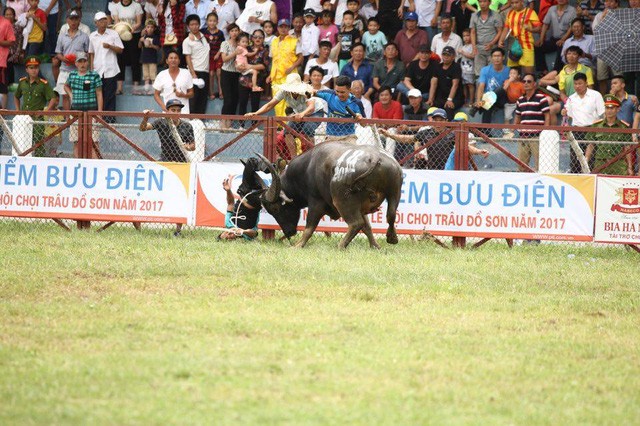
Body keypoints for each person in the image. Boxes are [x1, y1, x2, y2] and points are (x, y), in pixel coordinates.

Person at [139, 99, 195, 237]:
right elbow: (143, 128)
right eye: (173, 110)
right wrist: (146, 117)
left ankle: (178, 229)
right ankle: (144, 220)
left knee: (181, 195)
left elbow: (193, 146)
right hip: (165, 162)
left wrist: (186, 146)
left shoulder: (187, 126)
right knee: (155, 191)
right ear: (167, 111)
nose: (176, 113)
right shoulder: (161, 122)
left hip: (182, 164)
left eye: (178, 110)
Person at [245, 73, 325, 158]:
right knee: (287, 131)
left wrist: (302, 114)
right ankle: (294, 159)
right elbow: (270, 105)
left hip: (315, 112)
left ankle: (311, 157)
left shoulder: (306, 91)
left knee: (307, 129)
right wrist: (256, 113)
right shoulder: (284, 92)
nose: (292, 90)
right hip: (298, 113)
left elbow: (311, 107)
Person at [379, 107, 455, 169]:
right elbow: (408, 139)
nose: (438, 123)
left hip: (449, 170)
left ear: (446, 121)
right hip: (432, 170)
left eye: (441, 120)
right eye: (436, 120)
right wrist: (389, 135)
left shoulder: (452, 134)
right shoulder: (427, 132)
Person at [14, 56, 57, 157]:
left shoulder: (43, 84)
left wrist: (45, 112)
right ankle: (22, 160)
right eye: (31, 68)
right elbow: (16, 96)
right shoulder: (22, 82)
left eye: (36, 68)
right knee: (22, 140)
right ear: (27, 69)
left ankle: (39, 162)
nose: (34, 70)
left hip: (37, 118)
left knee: (38, 142)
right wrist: (17, 110)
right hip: (24, 118)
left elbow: (53, 98)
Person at [562, 72, 604, 173]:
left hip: (592, 130)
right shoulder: (572, 98)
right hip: (576, 130)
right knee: (575, 159)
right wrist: (563, 112)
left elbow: (602, 114)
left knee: (591, 160)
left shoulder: (595, 95)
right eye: (575, 84)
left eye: (580, 83)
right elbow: (568, 114)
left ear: (586, 83)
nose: (577, 86)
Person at [64, 52, 103, 158]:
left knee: (94, 142)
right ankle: (78, 165)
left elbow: (99, 93)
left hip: (92, 113)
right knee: (76, 141)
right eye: (79, 61)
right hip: (76, 114)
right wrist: (71, 95)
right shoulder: (72, 75)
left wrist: (99, 113)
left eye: (84, 61)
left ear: (88, 62)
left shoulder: (94, 75)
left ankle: (95, 166)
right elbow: (66, 86)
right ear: (76, 63)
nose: (82, 64)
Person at [218, 159, 265, 241]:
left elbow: (230, 203)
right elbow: (254, 233)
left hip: (245, 193)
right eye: (228, 237)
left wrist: (228, 190)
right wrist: (242, 231)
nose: (228, 234)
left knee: (250, 163)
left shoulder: (229, 223)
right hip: (256, 202)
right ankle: (273, 169)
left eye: (225, 233)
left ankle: (270, 167)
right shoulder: (245, 237)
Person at [586, 94, 633, 175]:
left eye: (612, 108)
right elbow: (591, 145)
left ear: (618, 109)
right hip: (600, 163)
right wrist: (586, 161)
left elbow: (627, 148)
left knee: (619, 186)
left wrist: (630, 167)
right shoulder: (596, 125)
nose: (609, 111)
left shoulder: (624, 126)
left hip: (618, 164)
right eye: (607, 108)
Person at [89, 12, 123, 122]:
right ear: (96, 23)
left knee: (110, 96)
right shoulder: (92, 36)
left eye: (104, 19)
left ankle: (109, 121)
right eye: (100, 20)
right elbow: (91, 53)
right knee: (97, 95)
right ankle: (98, 119)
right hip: (97, 69)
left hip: (110, 69)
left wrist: (110, 46)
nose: (103, 22)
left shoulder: (113, 34)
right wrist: (91, 69)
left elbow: (120, 50)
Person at [55, 10, 90, 111]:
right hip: (65, 69)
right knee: (65, 96)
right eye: (71, 19)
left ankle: (78, 120)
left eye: (76, 19)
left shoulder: (84, 36)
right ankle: (68, 120)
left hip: (80, 71)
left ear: (79, 20)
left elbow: (88, 53)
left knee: (79, 96)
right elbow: (58, 53)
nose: (73, 22)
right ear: (67, 20)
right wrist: (64, 59)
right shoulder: (61, 36)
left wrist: (79, 59)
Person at [514, 73, 550, 172]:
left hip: (537, 137)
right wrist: (514, 130)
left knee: (540, 164)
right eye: (524, 81)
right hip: (523, 137)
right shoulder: (520, 100)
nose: (526, 83)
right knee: (521, 165)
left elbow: (547, 116)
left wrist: (545, 133)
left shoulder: (541, 98)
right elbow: (517, 117)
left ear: (534, 84)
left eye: (529, 81)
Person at [313, 75, 365, 143]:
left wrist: (360, 119)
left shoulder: (356, 103)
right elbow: (313, 92)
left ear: (350, 90)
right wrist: (311, 92)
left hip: (348, 137)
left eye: (342, 92)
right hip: (331, 137)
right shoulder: (330, 94)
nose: (339, 94)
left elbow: (364, 124)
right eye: (337, 91)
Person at [268, 19, 303, 117]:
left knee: (288, 102)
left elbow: (301, 57)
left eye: (286, 27)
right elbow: (273, 59)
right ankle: (280, 127)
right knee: (277, 102)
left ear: (289, 28)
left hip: (290, 76)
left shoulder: (294, 41)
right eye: (281, 27)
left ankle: (287, 127)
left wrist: (292, 67)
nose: (283, 29)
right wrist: (270, 75)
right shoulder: (274, 41)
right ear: (278, 28)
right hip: (276, 77)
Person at [498, 0, 541, 76]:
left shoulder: (530, 12)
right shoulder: (510, 13)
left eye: (516, 2)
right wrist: (501, 40)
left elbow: (539, 28)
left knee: (528, 74)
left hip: (527, 46)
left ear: (522, 2)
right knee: (513, 73)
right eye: (512, 3)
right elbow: (506, 28)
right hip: (514, 46)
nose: (514, 5)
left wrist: (531, 29)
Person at [112, 0, 144, 95]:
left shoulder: (137, 6)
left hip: (134, 34)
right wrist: (123, 30)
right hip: (120, 35)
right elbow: (116, 22)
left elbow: (139, 22)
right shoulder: (116, 6)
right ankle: (119, 87)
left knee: (135, 60)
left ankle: (136, 87)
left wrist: (131, 29)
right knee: (120, 60)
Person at [534, 0, 575, 74]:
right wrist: (541, 39)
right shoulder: (552, 9)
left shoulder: (572, 10)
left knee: (561, 48)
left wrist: (563, 40)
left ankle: (556, 72)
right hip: (554, 39)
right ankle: (543, 71)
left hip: (567, 40)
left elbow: (571, 27)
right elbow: (545, 24)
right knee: (538, 46)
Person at [473, 47, 510, 125]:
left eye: (499, 56)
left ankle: (479, 107)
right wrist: (479, 100)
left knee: (500, 89)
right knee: (488, 105)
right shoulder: (485, 70)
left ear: (503, 57)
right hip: (488, 100)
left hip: (501, 100)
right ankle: (485, 132)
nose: (496, 58)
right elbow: (481, 86)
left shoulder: (508, 71)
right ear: (491, 58)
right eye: (494, 56)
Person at [238, 29, 270, 115]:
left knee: (255, 105)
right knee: (242, 103)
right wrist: (238, 66)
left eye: (260, 37)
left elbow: (264, 65)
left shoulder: (265, 50)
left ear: (263, 39)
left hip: (257, 81)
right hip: (244, 80)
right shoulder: (246, 48)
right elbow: (238, 60)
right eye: (255, 37)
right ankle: (241, 127)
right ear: (252, 38)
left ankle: (254, 126)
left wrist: (250, 66)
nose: (258, 39)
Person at [183, 14, 210, 114]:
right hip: (195, 72)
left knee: (203, 98)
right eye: (192, 24)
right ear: (188, 26)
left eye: (196, 24)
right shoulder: (187, 41)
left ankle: (200, 122)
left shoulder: (204, 36)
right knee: (194, 98)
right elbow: (188, 57)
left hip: (205, 71)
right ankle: (192, 122)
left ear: (199, 24)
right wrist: (193, 73)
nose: (194, 26)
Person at [469, 0, 503, 78]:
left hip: (493, 49)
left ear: (489, 2)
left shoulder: (496, 15)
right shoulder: (474, 16)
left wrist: (491, 43)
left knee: (492, 74)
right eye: (480, 2)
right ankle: (480, 90)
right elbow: (473, 32)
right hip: (479, 48)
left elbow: (499, 31)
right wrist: (474, 47)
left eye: (484, 1)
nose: (482, 4)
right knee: (479, 75)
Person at [428, 46, 463, 118]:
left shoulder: (456, 67)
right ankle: (432, 128)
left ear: (453, 57)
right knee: (431, 107)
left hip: (455, 98)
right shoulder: (438, 67)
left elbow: (455, 85)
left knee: (448, 107)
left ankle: (449, 128)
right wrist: (430, 99)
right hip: (440, 97)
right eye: (444, 54)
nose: (446, 57)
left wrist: (450, 99)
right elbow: (433, 84)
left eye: (448, 55)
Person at [219, 23, 241, 127]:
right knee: (228, 99)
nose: (234, 33)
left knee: (235, 99)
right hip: (226, 73)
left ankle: (230, 123)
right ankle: (223, 122)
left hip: (237, 74)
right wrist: (235, 53)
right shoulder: (225, 43)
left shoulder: (241, 43)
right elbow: (224, 59)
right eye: (232, 31)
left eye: (236, 30)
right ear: (229, 32)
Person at [202, 12, 225, 100]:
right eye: (210, 21)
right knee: (211, 74)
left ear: (217, 22)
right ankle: (211, 92)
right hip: (208, 56)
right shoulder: (203, 31)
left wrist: (218, 54)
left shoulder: (220, 33)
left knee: (219, 73)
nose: (212, 23)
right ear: (207, 21)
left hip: (217, 55)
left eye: (214, 21)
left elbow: (223, 45)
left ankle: (221, 92)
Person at [138, 18, 161, 96]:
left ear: (154, 28)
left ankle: (154, 90)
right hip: (144, 59)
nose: (149, 29)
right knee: (146, 76)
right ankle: (146, 89)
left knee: (153, 75)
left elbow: (158, 48)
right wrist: (141, 40)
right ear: (145, 28)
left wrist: (151, 45)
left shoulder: (155, 37)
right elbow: (139, 46)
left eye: (151, 27)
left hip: (152, 59)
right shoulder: (144, 37)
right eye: (148, 27)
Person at [0, 9, 17, 110]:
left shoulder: (6, 23)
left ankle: (2, 117)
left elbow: (11, 41)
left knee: (2, 89)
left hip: (1, 61)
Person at [502, 66, 524, 138]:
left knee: (520, 116)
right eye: (510, 73)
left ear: (518, 76)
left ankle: (515, 131)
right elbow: (504, 89)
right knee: (507, 117)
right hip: (509, 103)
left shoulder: (521, 84)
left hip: (519, 103)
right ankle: (506, 132)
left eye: (514, 73)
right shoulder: (507, 81)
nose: (512, 75)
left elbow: (523, 95)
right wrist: (509, 81)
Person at [458, 28, 475, 106]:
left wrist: (463, 52)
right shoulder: (463, 46)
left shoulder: (473, 46)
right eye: (464, 36)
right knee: (464, 85)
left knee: (470, 85)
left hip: (470, 70)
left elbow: (472, 56)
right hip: (463, 69)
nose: (466, 38)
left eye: (468, 35)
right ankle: (465, 101)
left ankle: (471, 101)